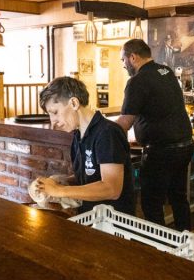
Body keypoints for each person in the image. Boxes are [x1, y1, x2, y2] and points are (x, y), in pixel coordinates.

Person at [115, 39, 194, 231]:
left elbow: (125, 122)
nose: (123, 65)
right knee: (178, 197)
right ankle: (186, 241)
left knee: (152, 203)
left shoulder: (137, 81)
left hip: (161, 152)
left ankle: (158, 246)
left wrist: (99, 130)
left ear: (133, 57)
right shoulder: (166, 71)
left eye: (123, 60)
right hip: (184, 146)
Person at [36, 77, 134, 215]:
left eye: (55, 112)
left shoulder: (107, 132)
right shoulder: (79, 135)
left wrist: (60, 191)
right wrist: (62, 181)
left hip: (113, 220)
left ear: (74, 103)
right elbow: (90, 175)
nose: (53, 122)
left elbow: (111, 189)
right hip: (90, 216)